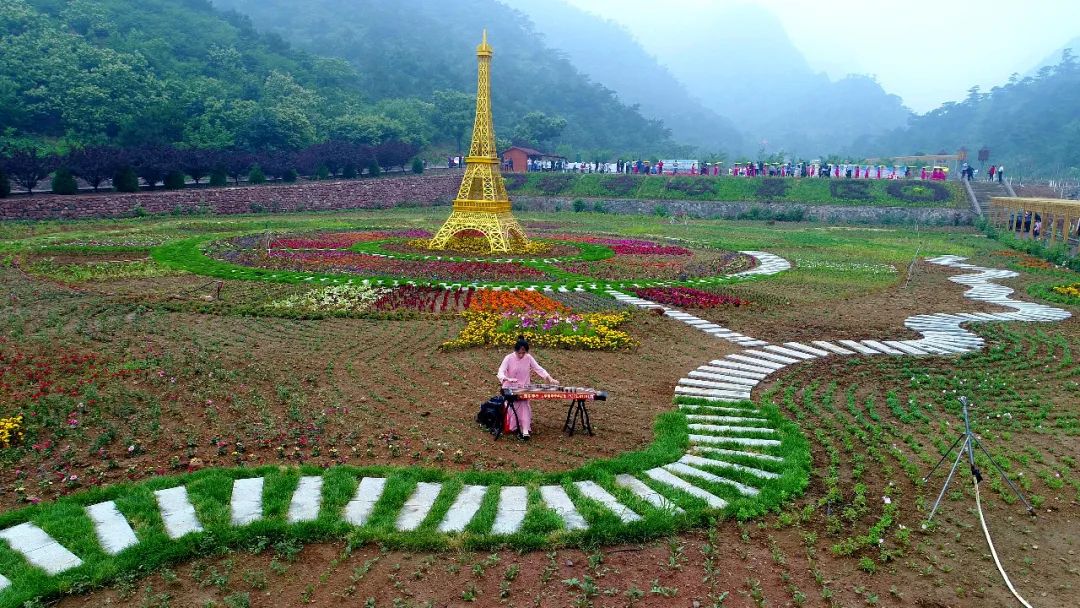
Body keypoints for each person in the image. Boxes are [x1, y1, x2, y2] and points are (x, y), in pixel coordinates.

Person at [496, 336, 557, 440]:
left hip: (523, 388)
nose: (521, 355)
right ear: (515, 351)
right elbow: (501, 371)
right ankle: (516, 427)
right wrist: (506, 378)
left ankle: (524, 429)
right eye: (519, 353)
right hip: (510, 387)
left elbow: (539, 369)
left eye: (523, 353)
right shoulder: (509, 358)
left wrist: (550, 378)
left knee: (524, 404)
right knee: (514, 405)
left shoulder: (528, 357)